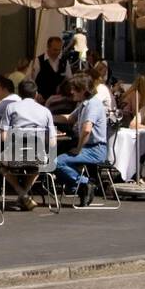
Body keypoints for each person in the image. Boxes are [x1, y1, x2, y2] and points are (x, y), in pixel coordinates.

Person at [0, 79, 57, 211]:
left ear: (19, 94)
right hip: (38, 157)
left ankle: (22, 193)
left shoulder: (11, 107)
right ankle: (24, 194)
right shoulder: (45, 111)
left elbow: (3, 137)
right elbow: (52, 142)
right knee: (38, 164)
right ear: (36, 94)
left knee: (1, 165)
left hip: (14, 157)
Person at [54, 76, 107, 207]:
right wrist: (46, 115)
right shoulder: (84, 104)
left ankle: (85, 184)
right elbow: (69, 118)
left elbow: (87, 129)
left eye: (74, 89)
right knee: (55, 159)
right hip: (89, 147)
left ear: (83, 90)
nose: (71, 92)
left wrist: (78, 149)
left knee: (56, 162)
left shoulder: (93, 104)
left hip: (95, 149)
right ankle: (81, 188)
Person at [32, 36, 71, 104]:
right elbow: (30, 81)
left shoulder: (64, 62)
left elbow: (70, 79)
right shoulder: (38, 61)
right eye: (55, 50)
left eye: (59, 49)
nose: (58, 52)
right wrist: (36, 94)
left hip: (59, 101)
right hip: (41, 100)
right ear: (48, 47)